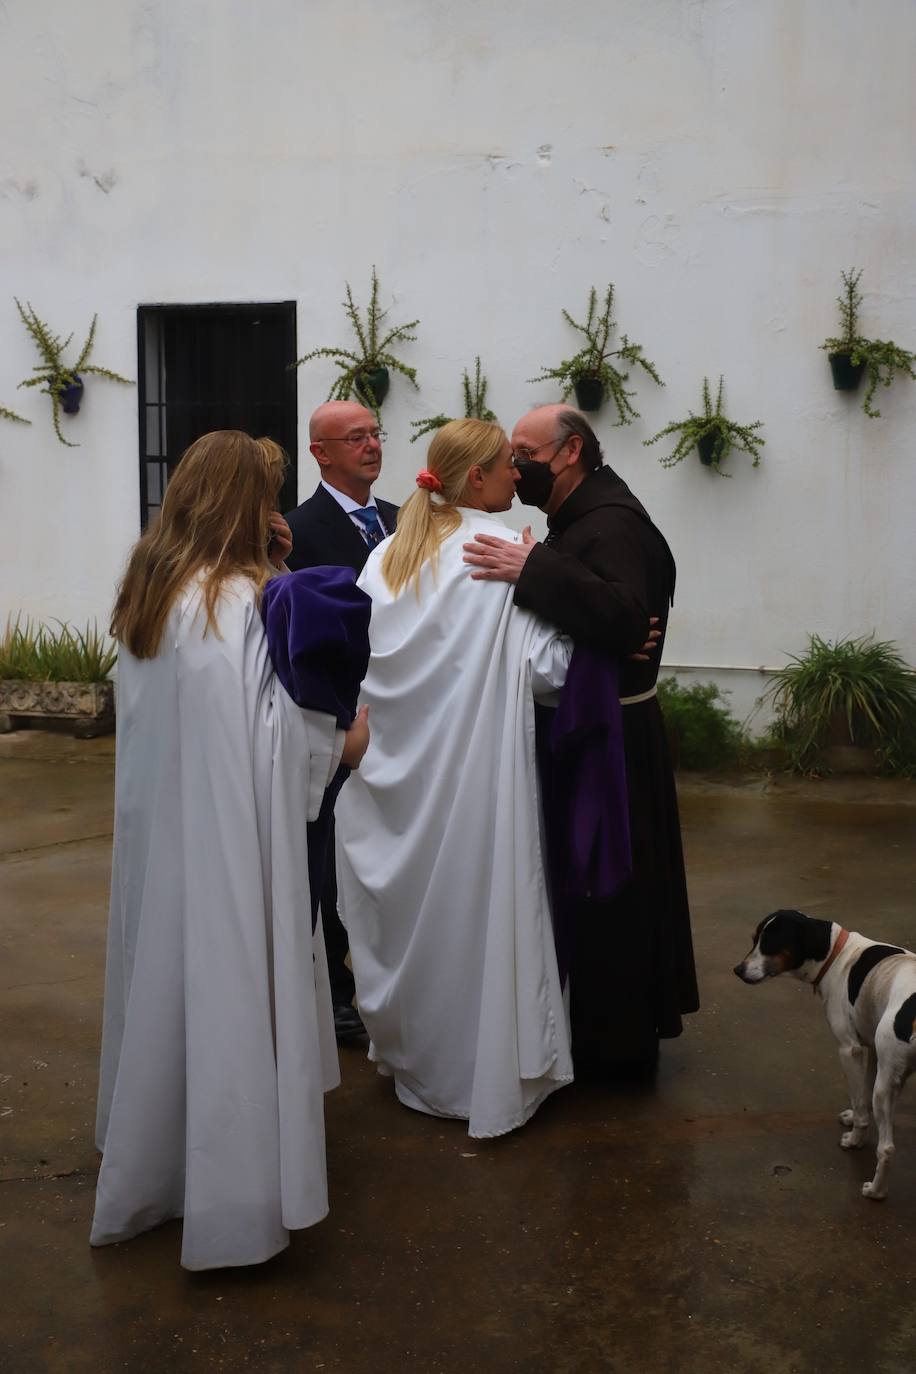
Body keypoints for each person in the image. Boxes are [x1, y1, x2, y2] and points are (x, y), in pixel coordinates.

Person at [92, 430, 371, 1270]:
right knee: (228, 987)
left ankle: (159, 1156)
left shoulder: (153, 590)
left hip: (165, 836)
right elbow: (277, 748)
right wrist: (344, 739)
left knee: (169, 987)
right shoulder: (240, 604)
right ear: (248, 507)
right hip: (230, 848)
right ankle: (235, 1197)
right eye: (269, 498)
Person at [335, 419, 575, 1138]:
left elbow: (358, 666)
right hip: (473, 782)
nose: (518, 478)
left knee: (415, 922)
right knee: (475, 919)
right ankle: (479, 1072)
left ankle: (418, 1064)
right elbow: (548, 675)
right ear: (477, 480)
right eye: (509, 466)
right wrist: (559, 599)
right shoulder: (499, 557)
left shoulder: (385, 557)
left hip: (394, 786)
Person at [463, 404, 699, 1074]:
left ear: (568, 453)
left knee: (612, 893)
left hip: (613, 741)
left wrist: (534, 569)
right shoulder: (581, 520)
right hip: (591, 729)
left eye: (524, 452)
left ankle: (614, 1050)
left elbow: (626, 618)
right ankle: (587, 1031)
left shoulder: (613, 524)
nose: (515, 465)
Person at [284, 401, 399, 1044]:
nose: (371, 445)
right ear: (320, 453)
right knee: (327, 856)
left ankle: (389, 978)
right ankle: (334, 991)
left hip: (400, 713)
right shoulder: (297, 532)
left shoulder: (401, 522)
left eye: (374, 434)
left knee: (386, 851)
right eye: (354, 437)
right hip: (335, 717)